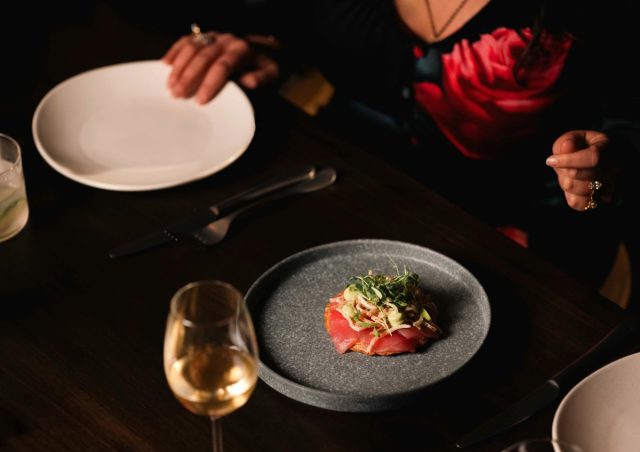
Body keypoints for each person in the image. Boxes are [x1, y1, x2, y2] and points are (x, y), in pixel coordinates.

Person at [161, 0, 638, 289]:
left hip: (516, 248)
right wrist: (259, 49)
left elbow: (627, 124)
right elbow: (293, 27)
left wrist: (605, 168)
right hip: (347, 197)